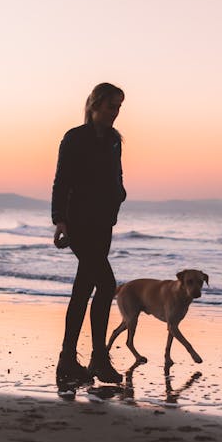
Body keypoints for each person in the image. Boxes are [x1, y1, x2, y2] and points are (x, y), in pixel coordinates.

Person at [51, 82, 127, 386]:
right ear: (95, 105)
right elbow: (61, 181)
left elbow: (116, 175)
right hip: (79, 224)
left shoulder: (114, 140)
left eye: (119, 107)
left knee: (83, 290)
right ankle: (97, 358)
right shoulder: (74, 138)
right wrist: (60, 220)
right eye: (111, 106)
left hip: (104, 223)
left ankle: (68, 360)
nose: (115, 113)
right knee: (107, 285)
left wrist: (119, 194)